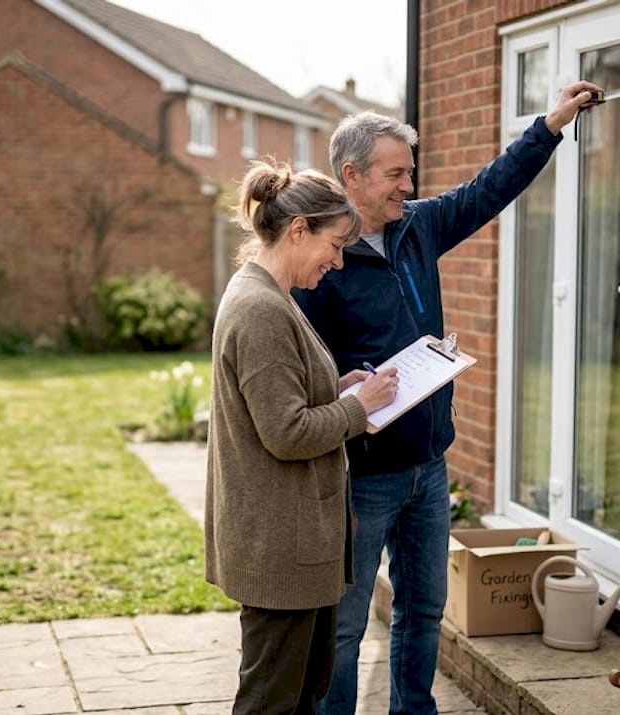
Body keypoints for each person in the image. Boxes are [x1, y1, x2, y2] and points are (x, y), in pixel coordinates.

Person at [291, 81, 603, 714]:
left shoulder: (418, 227)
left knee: (425, 610)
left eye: (410, 173)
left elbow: (488, 189)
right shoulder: (321, 260)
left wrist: (550, 124)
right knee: (345, 627)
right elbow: (302, 369)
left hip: (429, 466)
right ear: (351, 176)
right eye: (394, 174)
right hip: (362, 477)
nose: (408, 185)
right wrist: (351, 389)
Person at [204, 159, 400, 714]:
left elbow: (277, 395)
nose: (337, 262)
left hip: (290, 543)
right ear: (297, 231)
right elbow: (286, 432)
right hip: (278, 548)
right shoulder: (261, 308)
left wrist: (338, 388)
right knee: (271, 702)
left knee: (300, 694)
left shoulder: (271, 293)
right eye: (334, 245)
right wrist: (356, 408)